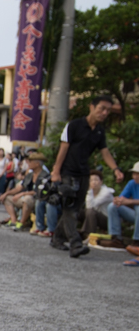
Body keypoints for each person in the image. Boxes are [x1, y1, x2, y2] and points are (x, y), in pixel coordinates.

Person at [50, 95, 124, 257]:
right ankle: (75, 244)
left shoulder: (99, 131)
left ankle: (57, 238)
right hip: (67, 172)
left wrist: (116, 169)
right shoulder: (74, 125)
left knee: (75, 208)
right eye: (102, 108)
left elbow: (105, 152)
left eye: (108, 110)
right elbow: (63, 149)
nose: (104, 113)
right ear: (91, 107)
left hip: (84, 173)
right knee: (69, 208)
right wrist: (56, 172)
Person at [0, 152, 48, 230]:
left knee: (27, 198)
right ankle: (13, 220)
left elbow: (39, 191)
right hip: (26, 197)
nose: (28, 163)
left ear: (37, 164)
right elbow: (19, 188)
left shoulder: (45, 175)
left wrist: (23, 193)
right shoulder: (30, 175)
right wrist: (6, 193)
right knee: (7, 198)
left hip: (37, 199)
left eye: (30, 161)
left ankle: (22, 223)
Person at [101, 162, 139, 250]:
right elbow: (122, 199)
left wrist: (130, 201)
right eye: (134, 173)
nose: (135, 176)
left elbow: (128, 201)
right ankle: (116, 238)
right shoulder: (132, 183)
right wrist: (117, 200)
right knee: (112, 206)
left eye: (138, 174)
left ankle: (137, 240)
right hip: (135, 215)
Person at [81, 170, 114, 238]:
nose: (93, 182)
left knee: (90, 212)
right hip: (95, 215)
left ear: (101, 182)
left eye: (96, 180)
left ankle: (89, 236)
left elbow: (91, 206)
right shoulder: (91, 192)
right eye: (91, 180)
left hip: (107, 220)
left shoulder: (106, 193)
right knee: (77, 211)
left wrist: (89, 191)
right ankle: (73, 233)